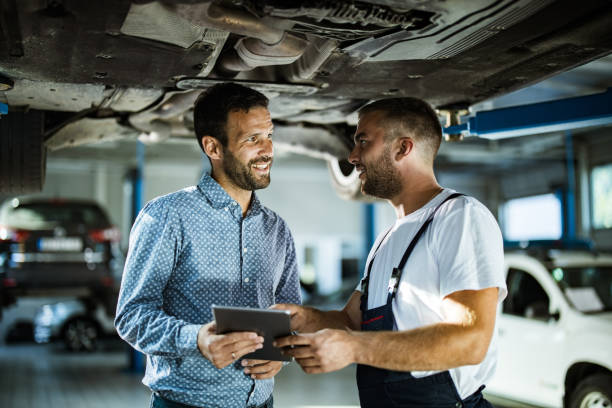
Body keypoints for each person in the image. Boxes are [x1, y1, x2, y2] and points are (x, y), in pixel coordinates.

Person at [274, 97, 506, 407]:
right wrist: (303, 318)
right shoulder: (386, 238)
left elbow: (470, 340)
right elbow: (353, 322)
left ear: (402, 148)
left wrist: (354, 348)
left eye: (363, 142)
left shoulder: (459, 217)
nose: (352, 157)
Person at [115, 83, 301, 408]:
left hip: (263, 402)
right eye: (252, 139)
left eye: (269, 135)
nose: (267, 149)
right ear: (213, 147)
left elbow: (291, 315)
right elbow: (132, 315)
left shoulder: (277, 229)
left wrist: (284, 351)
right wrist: (196, 338)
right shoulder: (167, 216)